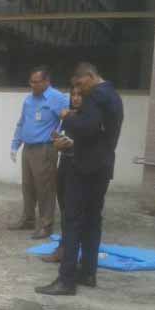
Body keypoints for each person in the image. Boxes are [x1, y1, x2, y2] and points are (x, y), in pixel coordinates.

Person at [36, 63, 124, 295]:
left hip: (84, 168)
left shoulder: (96, 95)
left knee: (72, 221)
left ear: (91, 76)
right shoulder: (114, 96)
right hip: (103, 166)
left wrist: (67, 117)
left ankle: (66, 280)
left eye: (80, 84)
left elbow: (87, 127)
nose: (79, 90)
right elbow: (100, 133)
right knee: (93, 220)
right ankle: (87, 272)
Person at [9, 66, 70, 239]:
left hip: (45, 148)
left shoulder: (56, 98)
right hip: (28, 148)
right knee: (28, 186)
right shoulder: (29, 100)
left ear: (46, 82)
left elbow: (69, 117)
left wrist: (60, 133)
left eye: (37, 82)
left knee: (45, 188)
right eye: (31, 82)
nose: (33, 85)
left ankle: (46, 224)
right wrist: (15, 145)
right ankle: (28, 219)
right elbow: (22, 123)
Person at [42, 85, 83, 263]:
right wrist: (58, 140)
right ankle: (64, 246)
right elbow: (65, 136)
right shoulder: (68, 117)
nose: (75, 98)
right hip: (65, 163)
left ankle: (68, 249)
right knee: (65, 208)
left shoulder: (89, 118)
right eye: (73, 94)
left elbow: (92, 144)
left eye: (80, 95)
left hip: (80, 167)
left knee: (74, 211)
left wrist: (73, 144)